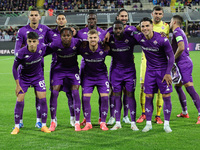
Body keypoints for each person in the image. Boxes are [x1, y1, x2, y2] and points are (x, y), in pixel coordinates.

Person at [132, 17, 174, 133]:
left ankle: (166, 124)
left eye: (147, 26)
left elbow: (171, 57)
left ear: (151, 26)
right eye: (143, 26)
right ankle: (148, 124)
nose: (145, 28)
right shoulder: (140, 37)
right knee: (148, 96)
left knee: (166, 97)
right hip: (149, 72)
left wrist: (167, 73)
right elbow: (127, 29)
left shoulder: (162, 39)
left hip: (162, 72)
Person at [14, 8, 54, 129]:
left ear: (40, 17)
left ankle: (38, 121)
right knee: (21, 95)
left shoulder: (45, 29)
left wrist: (40, 54)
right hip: (24, 70)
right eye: (31, 15)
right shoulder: (22, 31)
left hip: (39, 69)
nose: (34, 17)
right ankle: (19, 121)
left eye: (36, 15)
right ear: (29, 17)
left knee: (39, 95)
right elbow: (17, 50)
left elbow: (54, 41)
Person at [11, 32, 51, 134]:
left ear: (38, 42)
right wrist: (17, 85)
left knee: (43, 99)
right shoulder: (21, 52)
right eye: (30, 41)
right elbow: (14, 68)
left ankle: (44, 125)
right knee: (19, 99)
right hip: (24, 78)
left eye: (34, 41)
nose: (32, 43)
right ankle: (16, 127)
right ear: (27, 41)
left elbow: (54, 47)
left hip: (38, 77)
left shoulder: (42, 48)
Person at [137, 6, 170, 124]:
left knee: (161, 89)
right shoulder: (143, 25)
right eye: (155, 13)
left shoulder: (166, 26)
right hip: (145, 61)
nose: (157, 15)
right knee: (143, 88)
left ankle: (158, 115)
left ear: (162, 15)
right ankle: (143, 114)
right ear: (152, 14)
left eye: (160, 13)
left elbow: (168, 43)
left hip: (159, 63)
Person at [106, 8, 138, 125]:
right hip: (115, 67)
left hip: (128, 67)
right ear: (117, 18)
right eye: (122, 16)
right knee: (113, 92)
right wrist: (109, 31)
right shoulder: (111, 32)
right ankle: (112, 116)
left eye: (125, 16)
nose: (124, 18)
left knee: (127, 92)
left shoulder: (132, 30)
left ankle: (125, 116)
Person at [47, 28, 82, 132]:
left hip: (73, 70)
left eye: (68, 36)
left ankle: (77, 122)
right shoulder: (55, 44)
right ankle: (53, 121)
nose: (66, 38)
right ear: (60, 37)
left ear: (72, 36)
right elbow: (43, 51)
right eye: (64, 36)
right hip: (59, 70)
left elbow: (87, 47)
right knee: (54, 92)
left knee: (75, 93)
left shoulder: (77, 42)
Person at [76, 11, 107, 126]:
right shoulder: (80, 33)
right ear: (87, 20)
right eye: (89, 19)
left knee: (102, 94)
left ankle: (101, 117)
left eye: (93, 19)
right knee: (85, 94)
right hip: (86, 67)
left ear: (96, 20)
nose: (91, 21)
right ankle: (86, 117)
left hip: (99, 67)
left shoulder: (103, 33)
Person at [170, 15, 200, 123]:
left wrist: (173, 58)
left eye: (170, 21)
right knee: (178, 87)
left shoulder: (177, 32)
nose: (169, 23)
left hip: (183, 63)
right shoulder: (180, 32)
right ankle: (184, 112)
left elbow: (181, 47)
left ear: (174, 22)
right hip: (181, 63)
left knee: (189, 87)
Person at [49, 13, 76, 128]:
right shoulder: (50, 33)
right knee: (54, 93)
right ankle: (53, 119)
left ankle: (73, 118)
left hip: (70, 67)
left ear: (66, 20)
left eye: (63, 18)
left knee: (70, 94)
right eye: (59, 19)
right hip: (56, 67)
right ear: (56, 21)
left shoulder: (72, 32)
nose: (61, 20)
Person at [79, 29, 109, 131]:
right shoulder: (83, 48)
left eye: (94, 37)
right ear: (87, 39)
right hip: (88, 77)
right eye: (90, 38)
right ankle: (88, 123)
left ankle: (103, 122)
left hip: (102, 76)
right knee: (86, 99)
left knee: (105, 98)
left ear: (98, 38)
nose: (93, 40)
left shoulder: (105, 48)